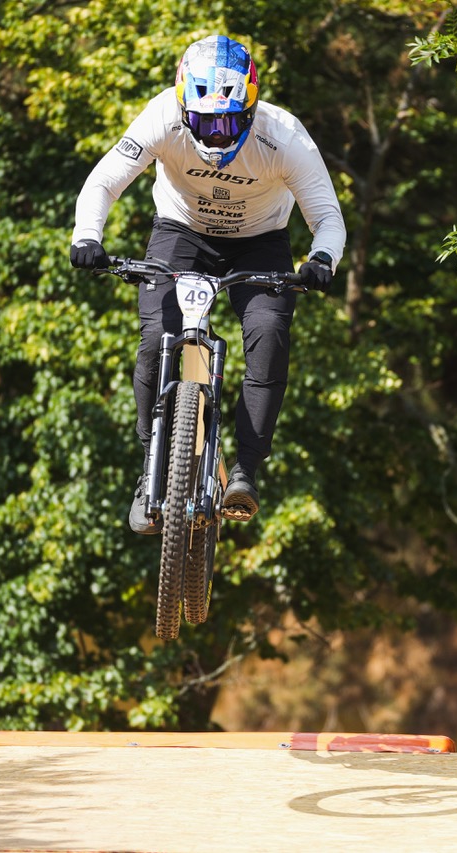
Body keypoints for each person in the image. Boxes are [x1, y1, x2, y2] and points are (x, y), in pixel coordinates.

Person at [69, 34, 346, 532]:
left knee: (269, 336)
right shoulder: (159, 117)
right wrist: (87, 236)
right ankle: (149, 468)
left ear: (251, 110)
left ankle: (245, 471)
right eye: (204, 122)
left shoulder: (285, 136)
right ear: (182, 109)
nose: (216, 137)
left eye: (228, 123)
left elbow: (327, 216)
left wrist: (321, 259)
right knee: (155, 340)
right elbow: (104, 181)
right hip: (181, 233)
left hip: (260, 241)